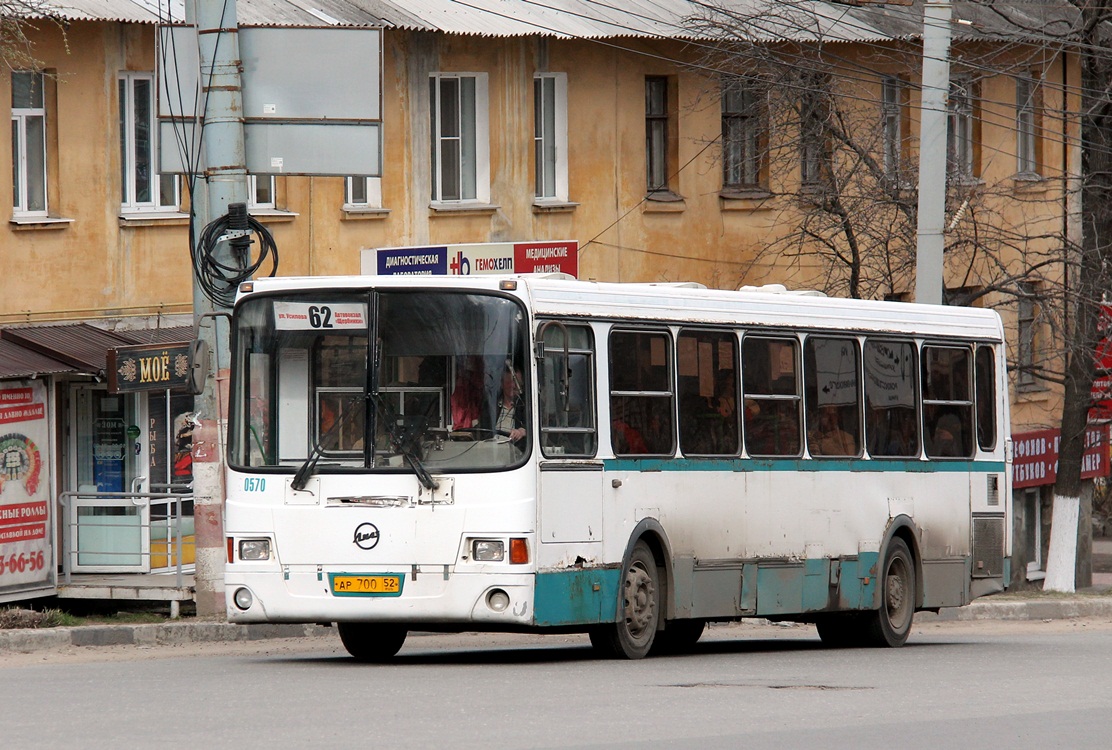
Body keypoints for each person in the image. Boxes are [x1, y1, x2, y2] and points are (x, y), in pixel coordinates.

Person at [495, 365, 527, 443]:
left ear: (522, 384)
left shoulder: (527, 405)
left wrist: (522, 431)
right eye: (508, 382)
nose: (512, 386)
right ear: (502, 384)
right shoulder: (491, 405)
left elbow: (537, 426)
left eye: (516, 382)